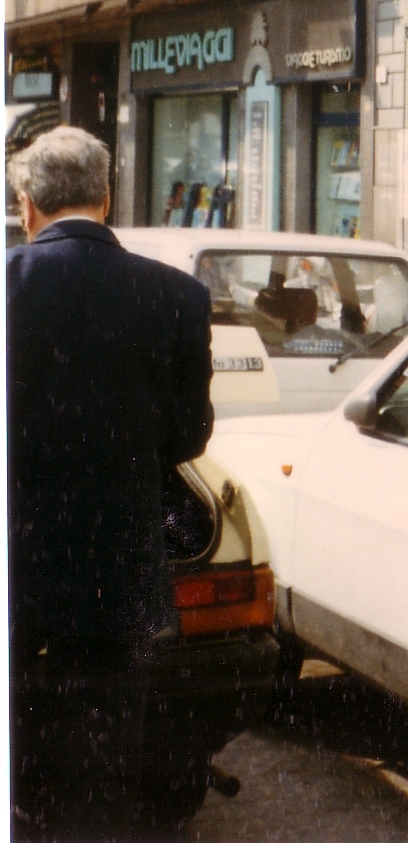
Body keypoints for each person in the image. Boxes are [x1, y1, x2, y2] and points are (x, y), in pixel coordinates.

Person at [7, 126, 214, 837]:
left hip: (16, 568)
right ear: (106, 198)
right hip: (118, 572)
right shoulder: (177, 297)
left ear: (26, 202)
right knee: (101, 763)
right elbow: (188, 437)